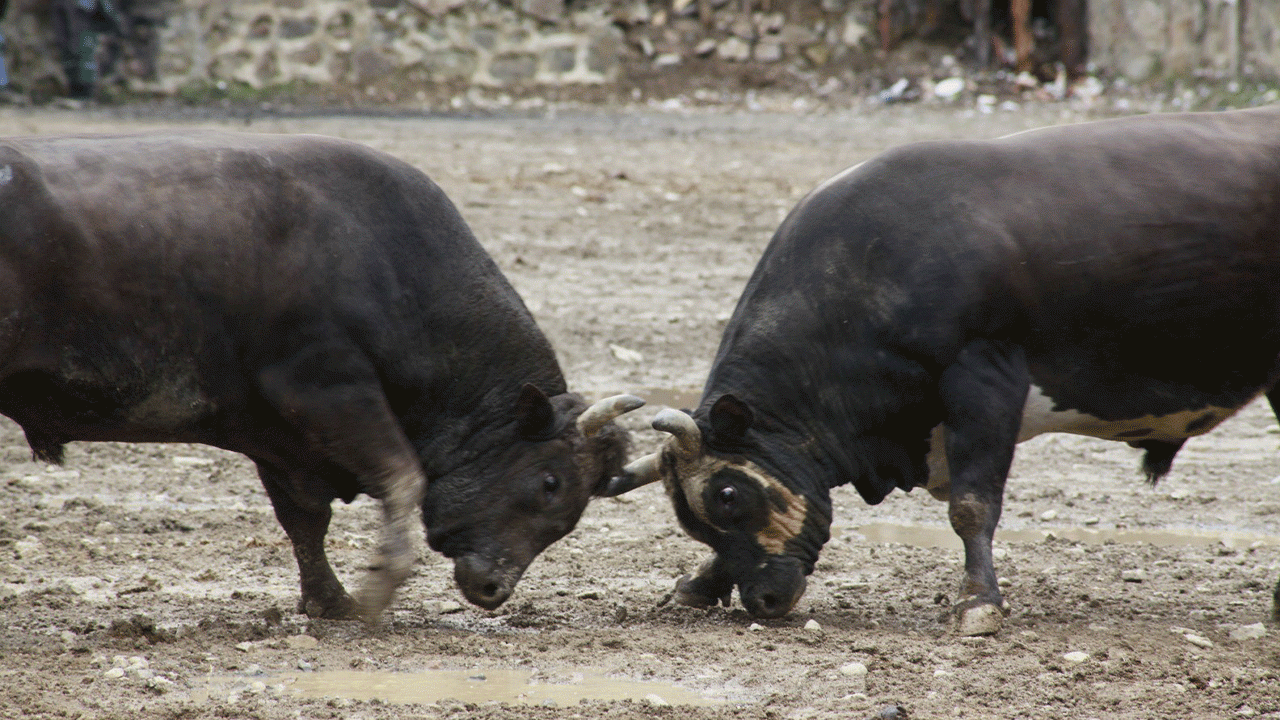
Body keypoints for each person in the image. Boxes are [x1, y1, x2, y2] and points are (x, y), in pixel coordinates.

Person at [51, 0, 125, 99]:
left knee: (88, 66)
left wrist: (113, 34)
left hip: (89, 40)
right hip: (71, 44)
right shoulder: (62, 3)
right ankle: (78, 94)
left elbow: (113, 19)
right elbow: (60, 26)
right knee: (73, 68)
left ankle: (91, 94)